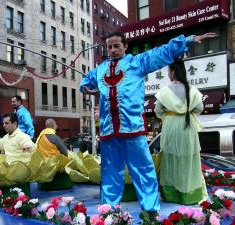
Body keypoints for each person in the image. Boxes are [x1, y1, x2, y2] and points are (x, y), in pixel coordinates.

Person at [80, 31, 216, 212]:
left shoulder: (137, 63)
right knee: (110, 174)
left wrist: (189, 39)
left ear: (125, 46)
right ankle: (108, 213)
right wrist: (86, 88)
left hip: (133, 130)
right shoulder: (100, 70)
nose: (112, 50)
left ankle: (151, 212)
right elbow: (86, 81)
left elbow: (161, 52)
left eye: (116, 46)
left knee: (143, 171)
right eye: (109, 47)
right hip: (108, 132)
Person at [154, 58, 206, 204]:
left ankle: (172, 195)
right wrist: (186, 110)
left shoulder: (164, 92)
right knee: (189, 161)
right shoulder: (193, 90)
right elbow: (199, 109)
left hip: (171, 127)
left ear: (172, 72)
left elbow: (158, 110)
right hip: (188, 126)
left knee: (170, 160)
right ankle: (189, 195)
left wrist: (169, 115)